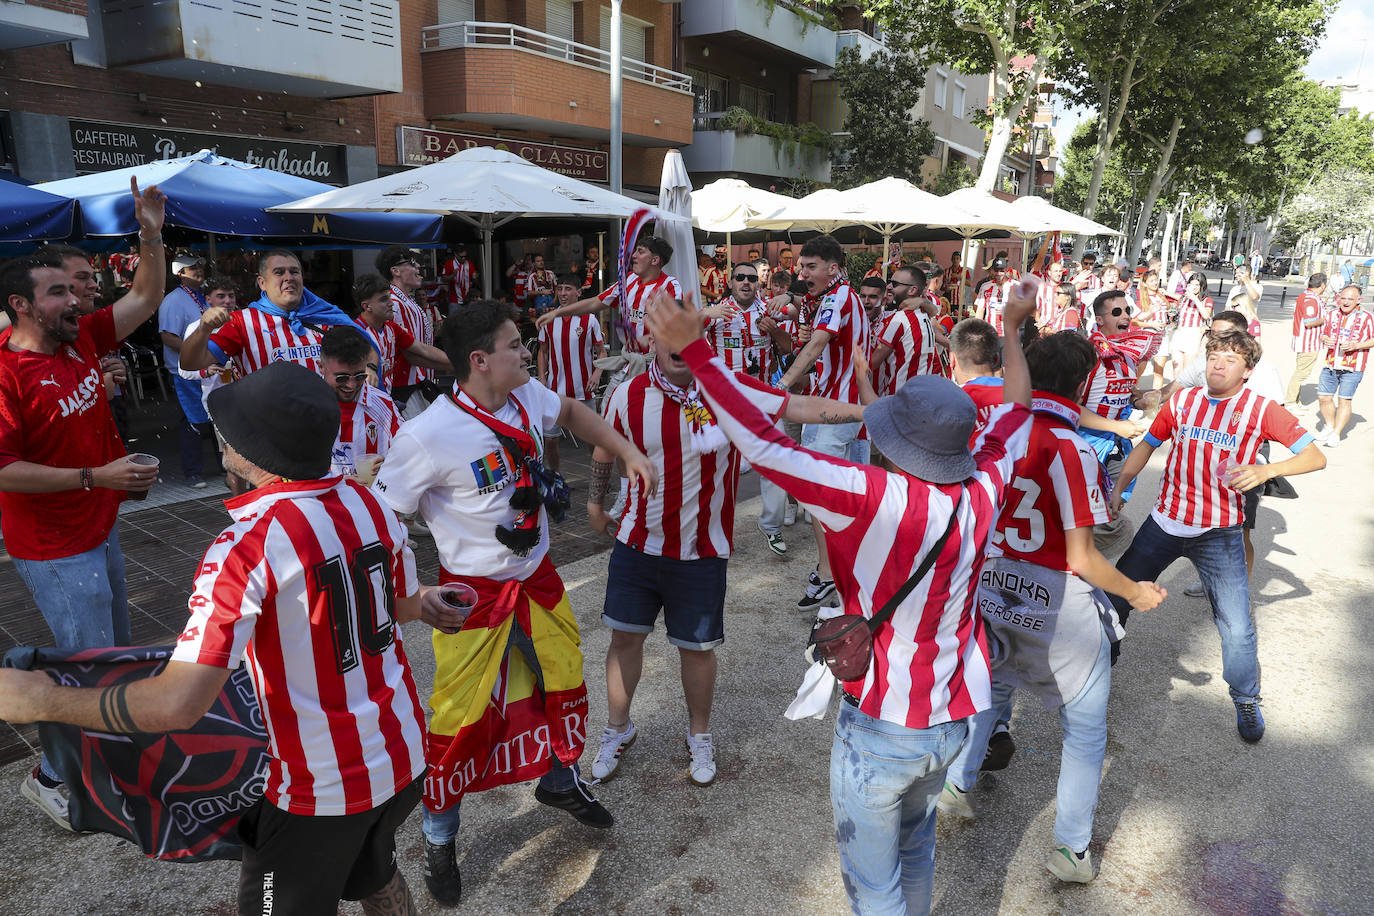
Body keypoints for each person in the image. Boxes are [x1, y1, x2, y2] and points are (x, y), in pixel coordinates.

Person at [644, 279, 1038, 916]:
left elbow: (761, 444)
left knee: (871, 888)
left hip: (882, 722)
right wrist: (1014, 331)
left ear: (896, 440)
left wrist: (697, 353)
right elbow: (1018, 411)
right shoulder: (985, 485)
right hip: (952, 715)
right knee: (917, 848)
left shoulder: (866, 493)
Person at [0, 359, 433, 913]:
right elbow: (400, 605)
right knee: (375, 874)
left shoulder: (246, 548)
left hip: (317, 786)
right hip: (401, 750)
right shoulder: (368, 503)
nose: (219, 443)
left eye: (226, 435)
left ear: (251, 454)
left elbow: (178, 704)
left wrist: (43, 699)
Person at [371, 300, 656, 906]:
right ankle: (439, 838)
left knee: (561, 683)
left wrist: (628, 452)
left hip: (539, 581)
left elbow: (575, 412)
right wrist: (410, 598)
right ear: (479, 361)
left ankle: (558, 780)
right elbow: (381, 521)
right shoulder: (424, 436)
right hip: (470, 599)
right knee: (458, 721)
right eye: (515, 344)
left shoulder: (527, 397)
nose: (528, 353)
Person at [587, 303, 874, 787]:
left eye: (691, 333)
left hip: (701, 552)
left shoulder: (728, 387)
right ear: (651, 339)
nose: (679, 344)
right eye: (668, 335)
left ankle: (699, 734)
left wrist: (870, 412)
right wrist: (596, 503)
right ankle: (618, 728)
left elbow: (797, 407)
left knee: (696, 649)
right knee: (624, 639)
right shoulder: (626, 394)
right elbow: (602, 448)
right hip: (636, 545)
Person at [939, 331, 1165, 884]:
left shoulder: (994, 430)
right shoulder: (1074, 449)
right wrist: (1135, 591)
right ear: (1084, 382)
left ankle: (958, 785)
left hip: (992, 583)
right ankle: (1071, 849)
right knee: (1085, 729)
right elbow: (1083, 558)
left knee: (989, 689)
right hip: (1055, 599)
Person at [0, 179, 166, 831]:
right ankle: (52, 779)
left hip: (96, 531)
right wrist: (95, 476)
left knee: (109, 660)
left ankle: (107, 763)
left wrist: (148, 229)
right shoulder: (7, 374)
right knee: (86, 670)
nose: (77, 298)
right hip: (56, 550)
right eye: (59, 291)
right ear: (21, 304)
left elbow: (147, 295)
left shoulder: (81, 342)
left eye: (76, 288)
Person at [1107, 329, 1326, 742]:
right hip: (1165, 522)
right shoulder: (1184, 400)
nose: (1219, 363)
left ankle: (1246, 698)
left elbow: (1315, 457)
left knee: (1236, 626)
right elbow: (1148, 444)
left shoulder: (1261, 410)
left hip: (1219, 533)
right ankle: (1102, 666)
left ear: (1248, 370)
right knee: (1113, 598)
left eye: (1230, 357)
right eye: (1214, 355)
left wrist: (1267, 470)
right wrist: (1122, 486)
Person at [774, 234, 871, 612]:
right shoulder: (834, 296)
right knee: (835, 493)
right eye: (801, 266)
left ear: (833, 268)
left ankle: (832, 577)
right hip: (833, 406)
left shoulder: (839, 296)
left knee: (822, 494)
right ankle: (839, 573)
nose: (803, 273)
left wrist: (780, 387)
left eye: (810, 266)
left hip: (837, 410)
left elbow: (817, 344)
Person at [180, 249, 370, 377]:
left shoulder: (325, 316)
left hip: (325, 427)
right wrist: (203, 329)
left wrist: (369, 367)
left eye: (294, 272)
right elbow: (191, 363)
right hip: (270, 430)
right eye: (279, 272)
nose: (289, 278)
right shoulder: (241, 322)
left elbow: (366, 348)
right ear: (262, 283)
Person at [537, 274, 608, 472]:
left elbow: (601, 350)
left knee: (592, 439)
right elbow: (542, 352)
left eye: (567, 289)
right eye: (560, 289)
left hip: (583, 390)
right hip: (554, 392)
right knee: (550, 440)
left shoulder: (590, 319)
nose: (562, 293)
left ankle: (598, 476)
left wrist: (597, 373)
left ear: (579, 292)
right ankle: (556, 477)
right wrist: (542, 378)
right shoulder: (549, 318)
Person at [157, 255, 215, 487]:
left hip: (210, 367)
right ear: (180, 274)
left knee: (216, 418)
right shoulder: (172, 301)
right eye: (193, 268)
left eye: (201, 266)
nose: (199, 271)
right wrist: (197, 349)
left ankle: (224, 466)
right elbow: (167, 336)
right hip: (186, 371)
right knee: (193, 421)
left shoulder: (206, 296)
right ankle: (193, 473)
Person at [320, 326, 403, 485]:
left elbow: (407, 452)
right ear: (321, 367)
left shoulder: (382, 403)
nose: (351, 386)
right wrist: (335, 483)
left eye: (359, 376)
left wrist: (391, 464)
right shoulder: (305, 406)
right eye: (341, 377)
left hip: (373, 503)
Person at [349, 273, 452, 393]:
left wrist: (456, 362)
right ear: (367, 306)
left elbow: (423, 349)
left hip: (388, 399)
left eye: (389, 297)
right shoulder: (354, 333)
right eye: (384, 299)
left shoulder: (392, 327)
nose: (391, 303)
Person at [378, 247, 440, 415]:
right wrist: (453, 364)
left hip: (416, 384)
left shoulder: (406, 300)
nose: (418, 267)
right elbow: (410, 352)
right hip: (404, 390)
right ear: (395, 271)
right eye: (412, 263)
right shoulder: (395, 303)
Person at [870, 266, 948, 399]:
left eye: (894, 284)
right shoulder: (922, 313)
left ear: (912, 290)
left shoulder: (899, 320)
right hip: (920, 397)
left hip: (900, 400)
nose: (888, 287)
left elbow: (871, 364)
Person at [1315, 284, 1374, 446]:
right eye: (1343, 298)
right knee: (1323, 397)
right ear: (1338, 298)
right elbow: (1323, 334)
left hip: (1353, 367)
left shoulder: (1367, 317)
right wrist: (1326, 339)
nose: (1346, 302)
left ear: (1358, 300)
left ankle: (1336, 433)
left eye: (1350, 299)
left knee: (1344, 400)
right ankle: (1329, 425)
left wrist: (1356, 345)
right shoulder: (1332, 314)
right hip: (1330, 364)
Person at [1169, 271, 1213, 373]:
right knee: (1177, 369)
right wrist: (1172, 316)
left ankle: (1185, 389)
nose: (1194, 287)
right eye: (1191, 284)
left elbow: (1206, 315)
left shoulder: (1206, 300)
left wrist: (1195, 299)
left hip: (1193, 335)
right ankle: (1176, 389)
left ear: (1202, 286)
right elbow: (1176, 316)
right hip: (1179, 333)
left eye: (1197, 285)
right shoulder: (1183, 299)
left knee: (1187, 371)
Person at [972, 257, 1015, 334]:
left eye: (1001, 270)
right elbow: (980, 311)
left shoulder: (1016, 286)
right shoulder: (985, 286)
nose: (998, 273)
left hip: (1009, 334)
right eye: (996, 270)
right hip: (990, 334)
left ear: (1006, 270)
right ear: (992, 270)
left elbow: (1023, 310)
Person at [1225, 265, 1264, 334]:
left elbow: (1255, 297)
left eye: (1238, 273)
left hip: (1248, 324)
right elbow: (1228, 306)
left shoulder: (1257, 287)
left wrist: (1246, 281)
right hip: (1234, 323)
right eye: (1236, 273)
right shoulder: (1234, 289)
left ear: (1247, 273)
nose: (1236, 275)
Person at [440, 243, 478, 311]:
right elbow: (443, 279)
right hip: (454, 300)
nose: (463, 258)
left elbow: (475, 281)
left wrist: (475, 278)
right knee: (455, 320)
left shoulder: (469, 264)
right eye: (461, 257)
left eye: (465, 256)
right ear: (455, 254)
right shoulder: (449, 263)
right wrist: (453, 275)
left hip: (468, 300)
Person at [946, 250, 971, 316]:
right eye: (954, 258)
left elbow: (969, 283)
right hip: (949, 301)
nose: (955, 260)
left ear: (960, 260)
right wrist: (946, 288)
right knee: (950, 318)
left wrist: (959, 277)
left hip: (960, 301)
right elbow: (942, 287)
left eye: (957, 258)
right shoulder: (946, 271)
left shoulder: (965, 271)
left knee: (959, 319)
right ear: (951, 260)